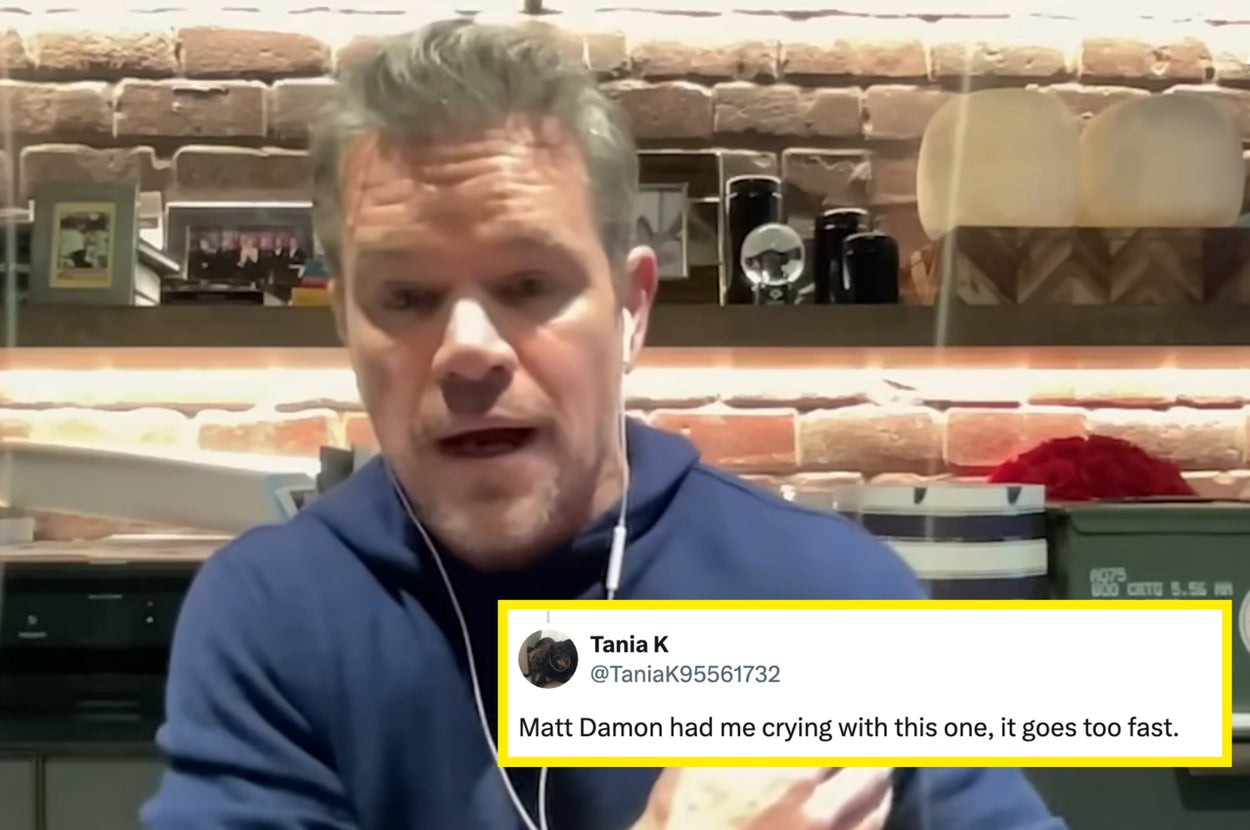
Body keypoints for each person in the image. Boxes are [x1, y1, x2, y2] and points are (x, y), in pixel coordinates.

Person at [140, 18, 1068, 830]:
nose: (468, 349)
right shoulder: (270, 617)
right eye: (407, 295)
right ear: (346, 321)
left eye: (528, 285)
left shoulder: (830, 593)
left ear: (631, 310)